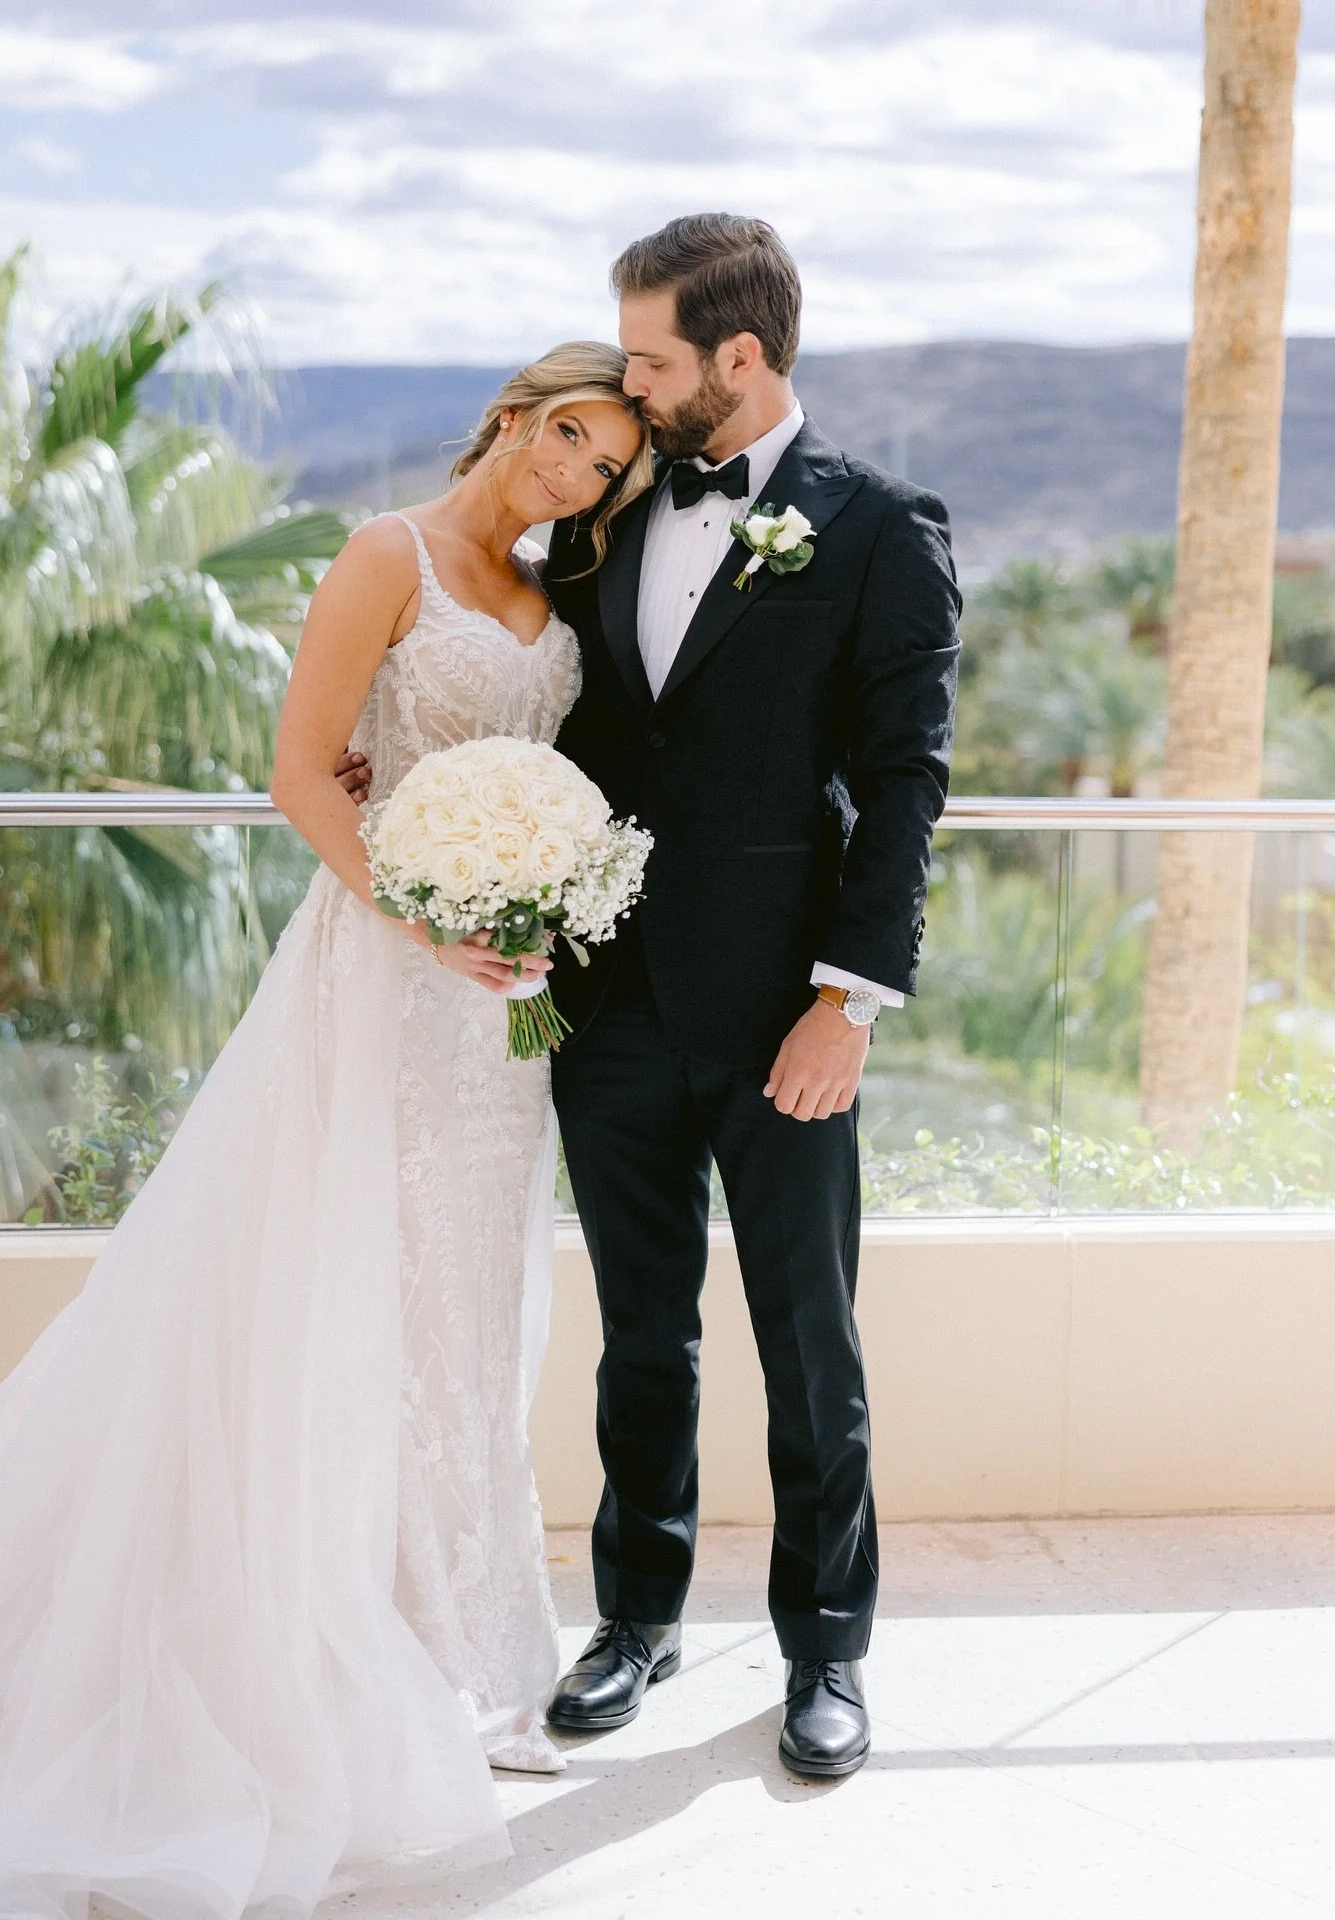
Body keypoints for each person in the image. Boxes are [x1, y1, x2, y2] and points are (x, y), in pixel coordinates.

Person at [0, 343, 651, 1915]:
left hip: (504, 1009)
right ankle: (359, 1652)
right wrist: (424, 913)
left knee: (472, 1306)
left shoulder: (548, 590)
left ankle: (473, 1647)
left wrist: (537, 895)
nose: (580, 478)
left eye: (607, 471)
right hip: (384, 971)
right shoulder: (387, 553)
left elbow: (532, 766)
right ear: (518, 412)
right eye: (573, 439)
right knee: (342, 1292)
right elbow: (303, 773)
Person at [541, 214, 961, 1777]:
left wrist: (847, 1003)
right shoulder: (607, 515)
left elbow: (908, 782)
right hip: (606, 1002)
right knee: (641, 1334)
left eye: (652, 358)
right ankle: (634, 1617)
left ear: (741, 355)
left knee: (810, 1339)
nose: (631, 387)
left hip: (790, 1010)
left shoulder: (876, 527)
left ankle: (827, 1652)